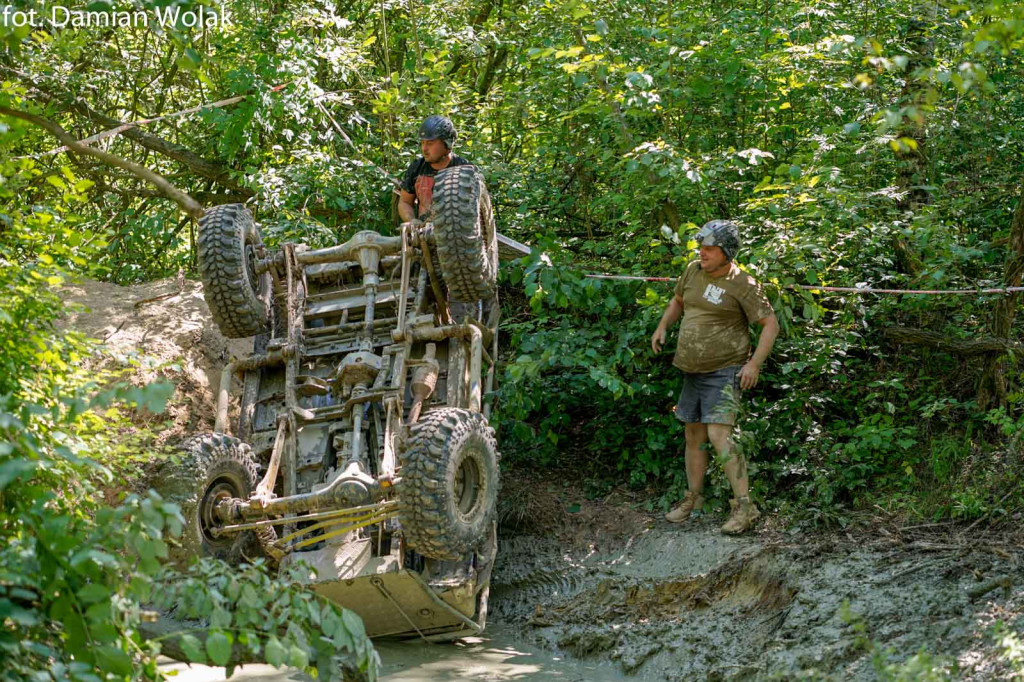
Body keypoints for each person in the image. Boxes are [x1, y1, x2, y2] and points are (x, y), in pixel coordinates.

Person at [650, 220, 780, 534]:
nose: (702, 253)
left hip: (725, 370)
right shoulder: (693, 271)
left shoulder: (743, 283)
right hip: (691, 370)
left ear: (726, 252)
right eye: (701, 248)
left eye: (709, 248)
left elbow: (770, 324)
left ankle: (745, 508)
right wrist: (663, 326)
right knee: (693, 435)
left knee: (721, 437)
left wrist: (754, 365)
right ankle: (692, 499)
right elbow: (678, 302)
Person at [397, 115, 471, 224]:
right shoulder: (417, 169)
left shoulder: (465, 170)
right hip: (424, 235)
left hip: (458, 236)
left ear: (447, 144)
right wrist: (412, 221)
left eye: (430, 143)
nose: (424, 149)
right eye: (422, 143)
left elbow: (478, 210)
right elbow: (405, 202)